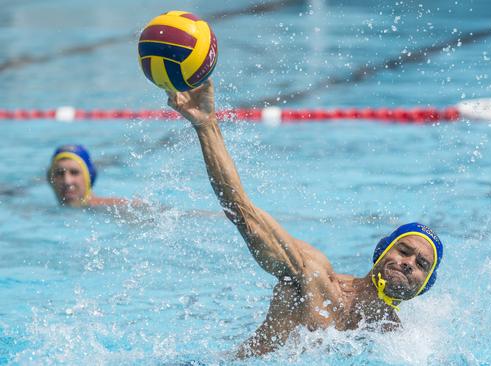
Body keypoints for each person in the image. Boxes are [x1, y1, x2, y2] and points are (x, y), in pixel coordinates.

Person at [166, 79, 444, 357]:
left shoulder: (404, 347)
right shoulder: (315, 280)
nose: (408, 263)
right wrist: (206, 125)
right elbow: (244, 214)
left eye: (421, 264)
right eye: (404, 251)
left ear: (425, 285)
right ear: (381, 251)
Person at [47, 144, 129, 207]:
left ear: (89, 177)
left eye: (74, 172)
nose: (67, 181)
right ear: (50, 179)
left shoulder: (114, 208)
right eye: (59, 173)